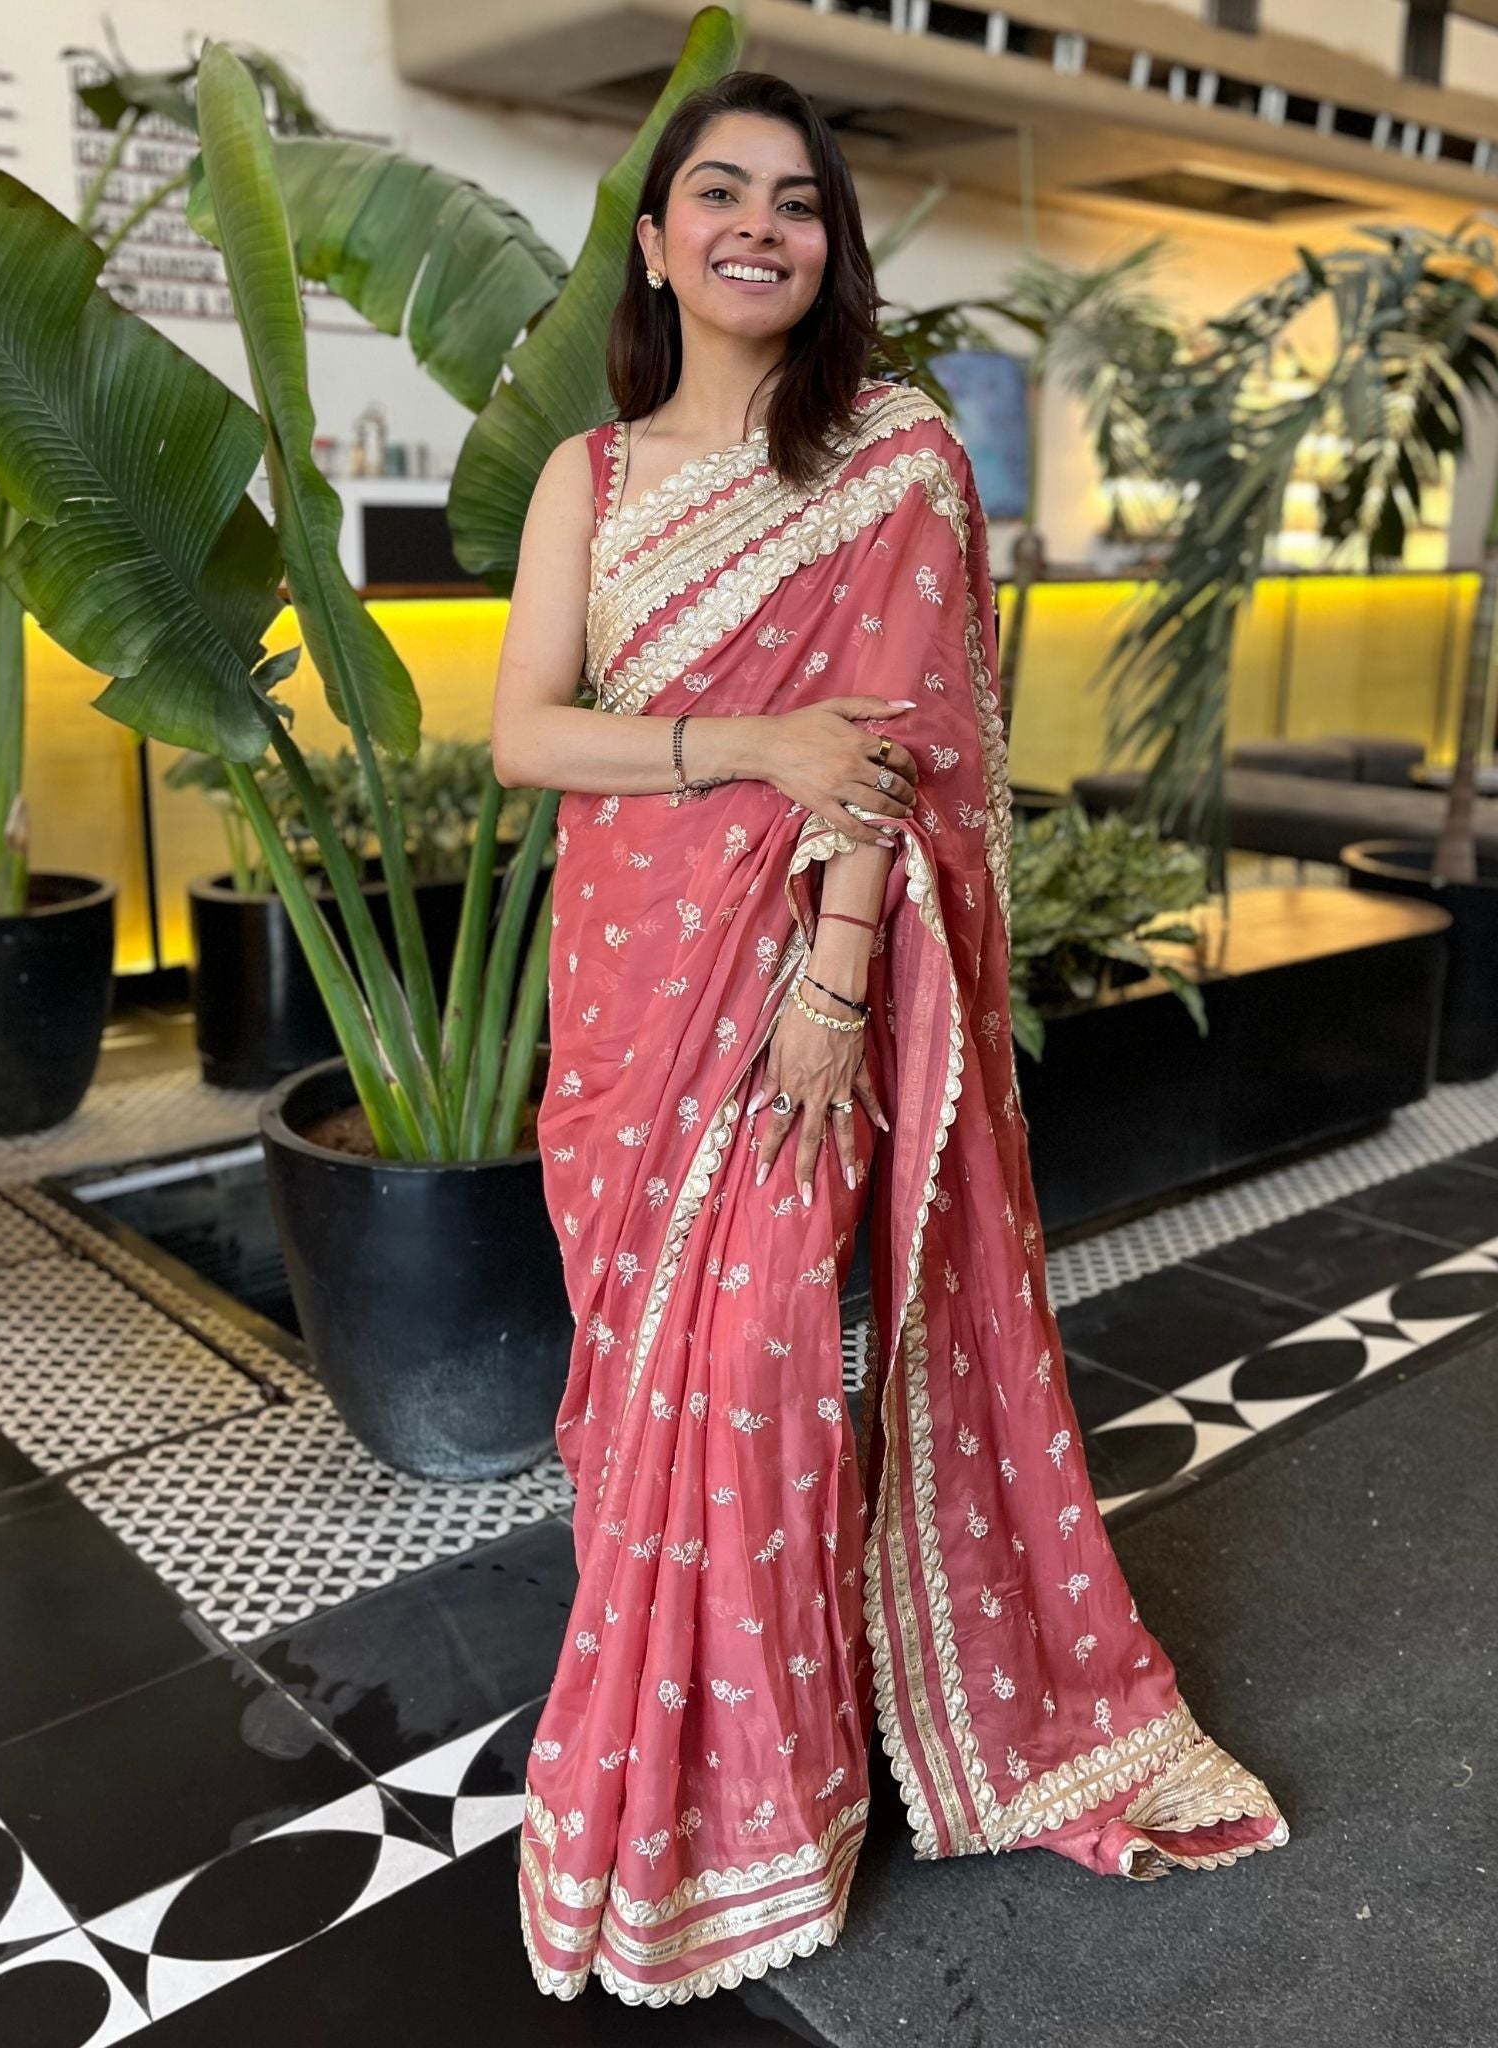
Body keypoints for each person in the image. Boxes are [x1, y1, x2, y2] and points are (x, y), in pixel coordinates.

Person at [490, 69, 1288, 2009]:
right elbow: (525, 732)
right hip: (626, 992)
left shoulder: (889, 459)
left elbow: (903, 754)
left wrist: (837, 978)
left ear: (829, 250)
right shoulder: (589, 475)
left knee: (765, 1358)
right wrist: (746, 742)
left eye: (798, 201)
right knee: (644, 1391)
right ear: (657, 241)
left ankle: (766, 1809)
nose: (757, 226)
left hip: (793, 981)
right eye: (719, 192)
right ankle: (685, 1777)